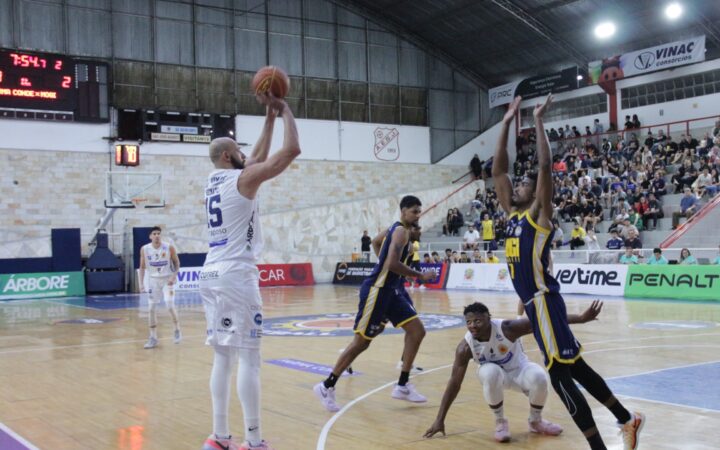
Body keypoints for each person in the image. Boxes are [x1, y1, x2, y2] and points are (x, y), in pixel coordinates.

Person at [490, 95, 644, 450]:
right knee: (575, 368)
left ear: (534, 194)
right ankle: (627, 419)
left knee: (559, 377)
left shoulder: (537, 217)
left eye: (523, 185)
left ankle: (601, 445)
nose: (517, 186)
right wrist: (506, 122)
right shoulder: (511, 217)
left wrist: (539, 121)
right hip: (537, 304)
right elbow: (499, 170)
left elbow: (545, 167)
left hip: (544, 301)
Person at [200, 94, 300, 450]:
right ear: (228, 156)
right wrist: (286, 111)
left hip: (210, 271)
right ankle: (254, 440)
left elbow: (252, 159)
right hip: (235, 275)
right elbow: (288, 154)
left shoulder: (214, 181)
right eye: (238, 151)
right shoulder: (241, 180)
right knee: (249, 357)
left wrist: (269, 118)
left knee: (223, 355)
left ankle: (219, 437)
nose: (245, 154)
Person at [314, 196, 436, 412]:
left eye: (419, 212)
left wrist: (386, 265)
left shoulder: (395, 229)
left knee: (417, 331)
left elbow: (376, 242)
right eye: (414, 211)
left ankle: (403, 384)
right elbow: (391, 263)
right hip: (377, 291)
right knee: (362, 342)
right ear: (403, 211)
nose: (418, 215)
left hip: (392, 291)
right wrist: (418, 276)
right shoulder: (400, 231)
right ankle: (327, 386)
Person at [423, 301, 604, 442]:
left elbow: (544, 321)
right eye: (468, 322)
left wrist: (580, 318)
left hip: (519, 371)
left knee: (540, 376)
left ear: (489, 318)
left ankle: (535, 421)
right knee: (490, 372)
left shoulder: (507, 328)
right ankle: (500, 422)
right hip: (494, 378)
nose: (473, 325)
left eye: (477, 320)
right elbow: (454, 383)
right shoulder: (465, 347)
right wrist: (440, 418)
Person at [138, 226, 181, 349]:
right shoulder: (145, 249)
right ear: (150, 236)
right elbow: (141, 267)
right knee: (151, 308)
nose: (157, 235)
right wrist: (141, 284)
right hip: (153, 280)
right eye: (154, 233)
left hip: (167, 279)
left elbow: (177, 263)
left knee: (169, 305)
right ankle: (153, 337)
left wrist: (174, 276)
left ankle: (177, 329)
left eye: (158, 233)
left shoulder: (169, 247)